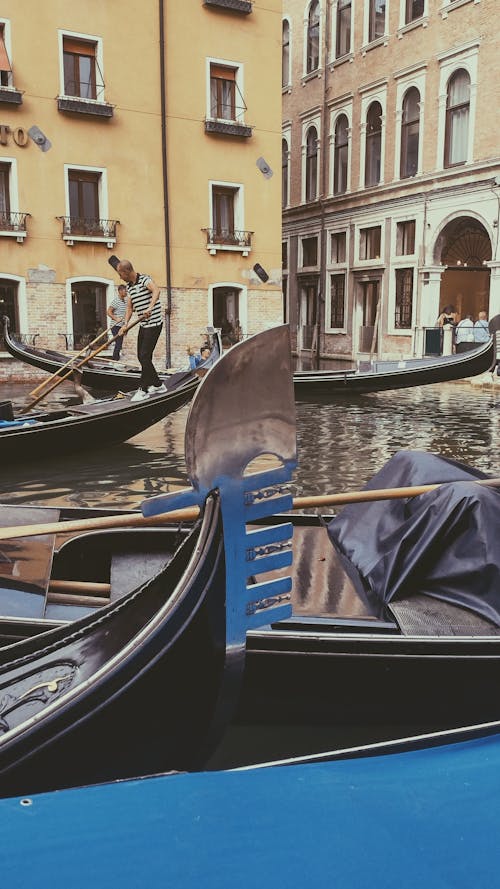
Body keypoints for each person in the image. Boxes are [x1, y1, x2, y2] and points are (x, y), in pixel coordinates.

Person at [117, 260, 166, 401]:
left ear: (126, 272)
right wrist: (125, 325)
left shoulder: (144, 279)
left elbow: (156, 290)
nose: (120, 277)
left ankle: (143, 389)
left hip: (155, 323)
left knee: (144, 356)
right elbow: (129, 308)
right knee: (142, 356)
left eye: (121, 274)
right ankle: (157, 384)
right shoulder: (129, 287)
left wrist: (150, 308)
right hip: (144, 325)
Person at [107, 284, 129, 360]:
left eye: (126, 291)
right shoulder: (116, 301)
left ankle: (116, 359)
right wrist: (116, 318)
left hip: (122, 326)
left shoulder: (126, 301)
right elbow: (109, 312)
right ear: (120, 291)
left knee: (119, 344)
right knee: (118, 343)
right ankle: (114, 360)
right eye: (125, 291)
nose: (126, 292)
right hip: (115, 326)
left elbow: (129, 310)